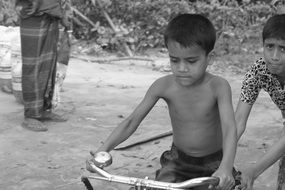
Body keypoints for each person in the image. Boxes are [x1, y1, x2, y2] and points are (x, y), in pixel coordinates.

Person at [87, 14, 240, 190]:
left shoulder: (218, 86)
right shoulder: (163, 85)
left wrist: (226, 168)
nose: (182, 68)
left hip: (214, 163)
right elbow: (131, 122)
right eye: (174, 60)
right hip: (177, 162)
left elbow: (229, 128)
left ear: (209, 58)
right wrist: (103, 150)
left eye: (191, 61)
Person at [235, 14, 285, 190]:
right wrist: (220, 159)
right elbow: (239, 121)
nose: (274, 56)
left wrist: (254, 170)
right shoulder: (258, 70)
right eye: (269, 46)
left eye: (283, 49)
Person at [15, 0, 71, 132]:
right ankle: (31, 114)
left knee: (49, 62)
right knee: (33, 64)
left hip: (51, 11)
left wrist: (62, 12)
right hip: (33, 10)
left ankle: (44, 108)